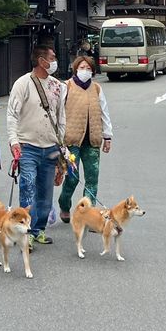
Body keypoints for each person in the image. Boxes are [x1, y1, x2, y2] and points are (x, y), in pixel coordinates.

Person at [7, 45, 66, 248]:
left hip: (50, 147)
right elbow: (12, 115)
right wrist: (14, 141)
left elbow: (61, 118)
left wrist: (62, 146)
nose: (55, 60)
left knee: (46, 192)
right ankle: (26, 233)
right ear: (42, 61)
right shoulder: (22, 84)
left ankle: (39, 229)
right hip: (27, 147)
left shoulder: (58, 86)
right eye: (52, 57)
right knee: (28, 188)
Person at [58, 56, 112, 223]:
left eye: (89, 68)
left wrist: (107, 136)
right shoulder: (66, 86)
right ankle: (64, 203)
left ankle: (87, 214)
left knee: (92, 178)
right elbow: (58, 112)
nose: (85, 71)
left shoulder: (96, 88)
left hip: (93, 141)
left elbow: (104, 112)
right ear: (75, 69)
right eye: (82, 67)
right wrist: (59, 139)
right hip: (71, 141)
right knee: (72, 178)